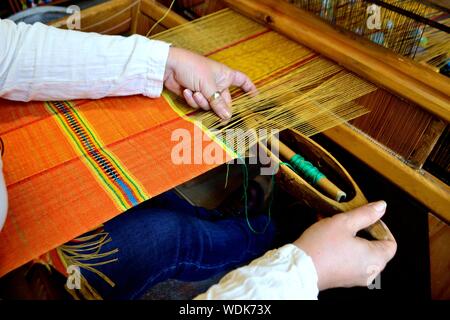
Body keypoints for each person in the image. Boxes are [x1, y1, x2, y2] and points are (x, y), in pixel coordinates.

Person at [0, 18, 397, 299]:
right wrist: (305, 271)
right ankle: (263, 234)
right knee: (170, 234)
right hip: (23, 275)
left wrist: (164, 62)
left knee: (148, 199)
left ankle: (241, 220)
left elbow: (7, 50)